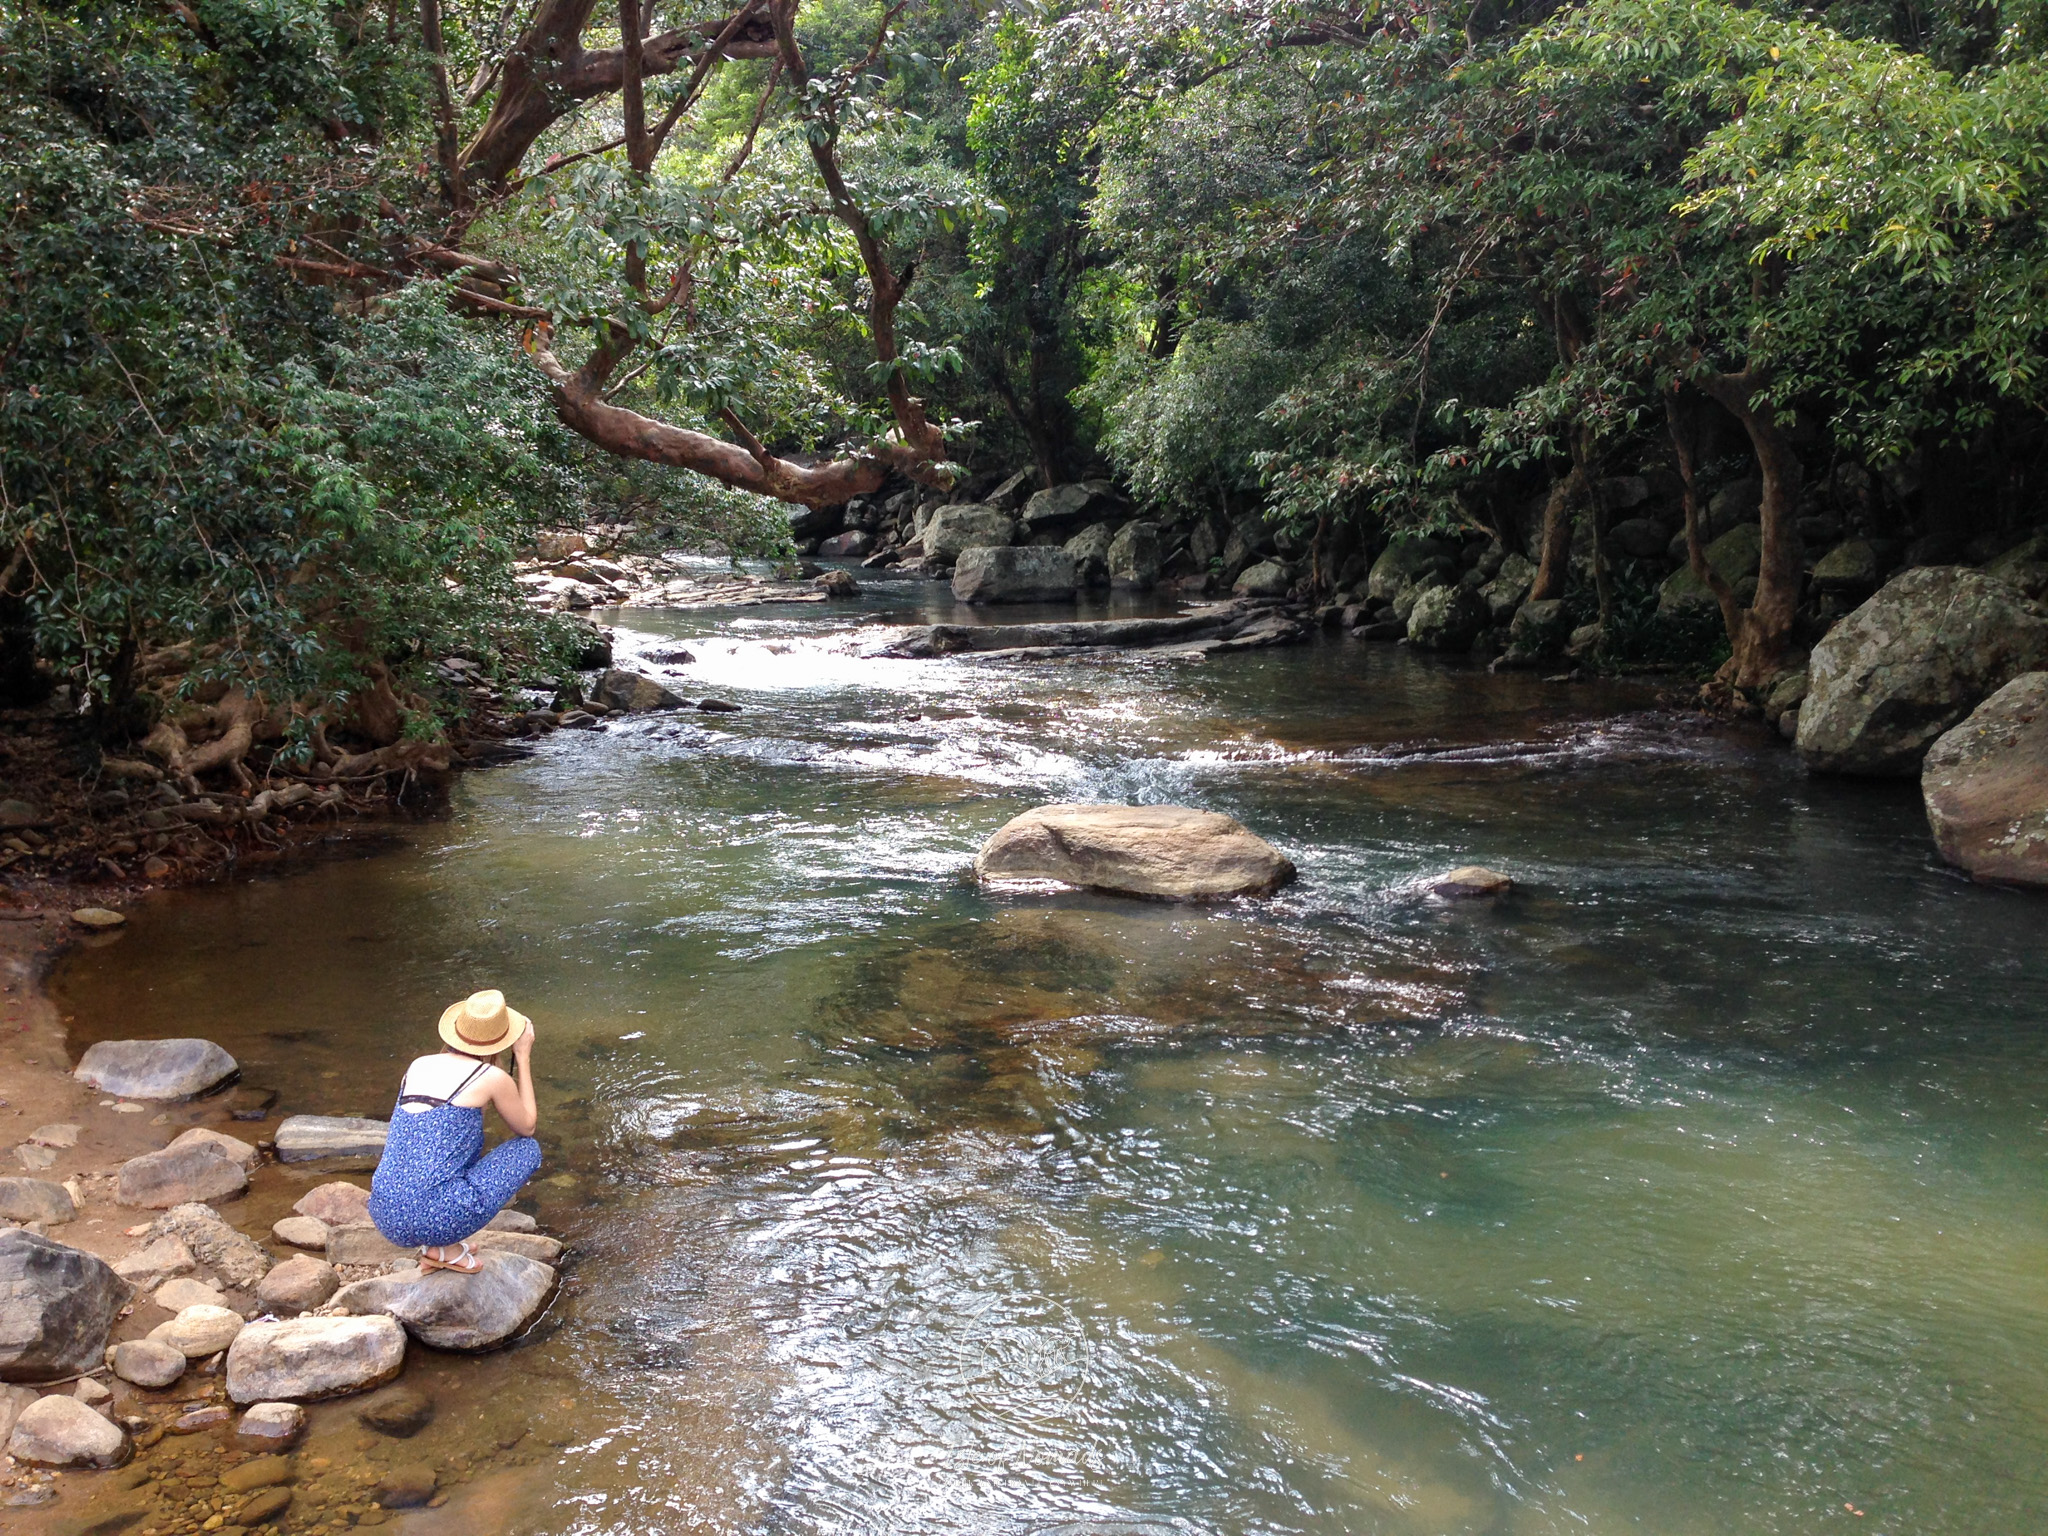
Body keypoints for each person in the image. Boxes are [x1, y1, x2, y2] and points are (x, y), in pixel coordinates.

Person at [368, 988, 542, 1274]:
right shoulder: (491, 1077)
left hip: (385, 1214)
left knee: (440, 1154)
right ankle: (444, 1244)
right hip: (435, 1216)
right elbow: (527, 1126)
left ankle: (440, 1248)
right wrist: (522, 1057)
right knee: (527, 1150)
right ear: (500, 1039)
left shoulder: (418, 1065)